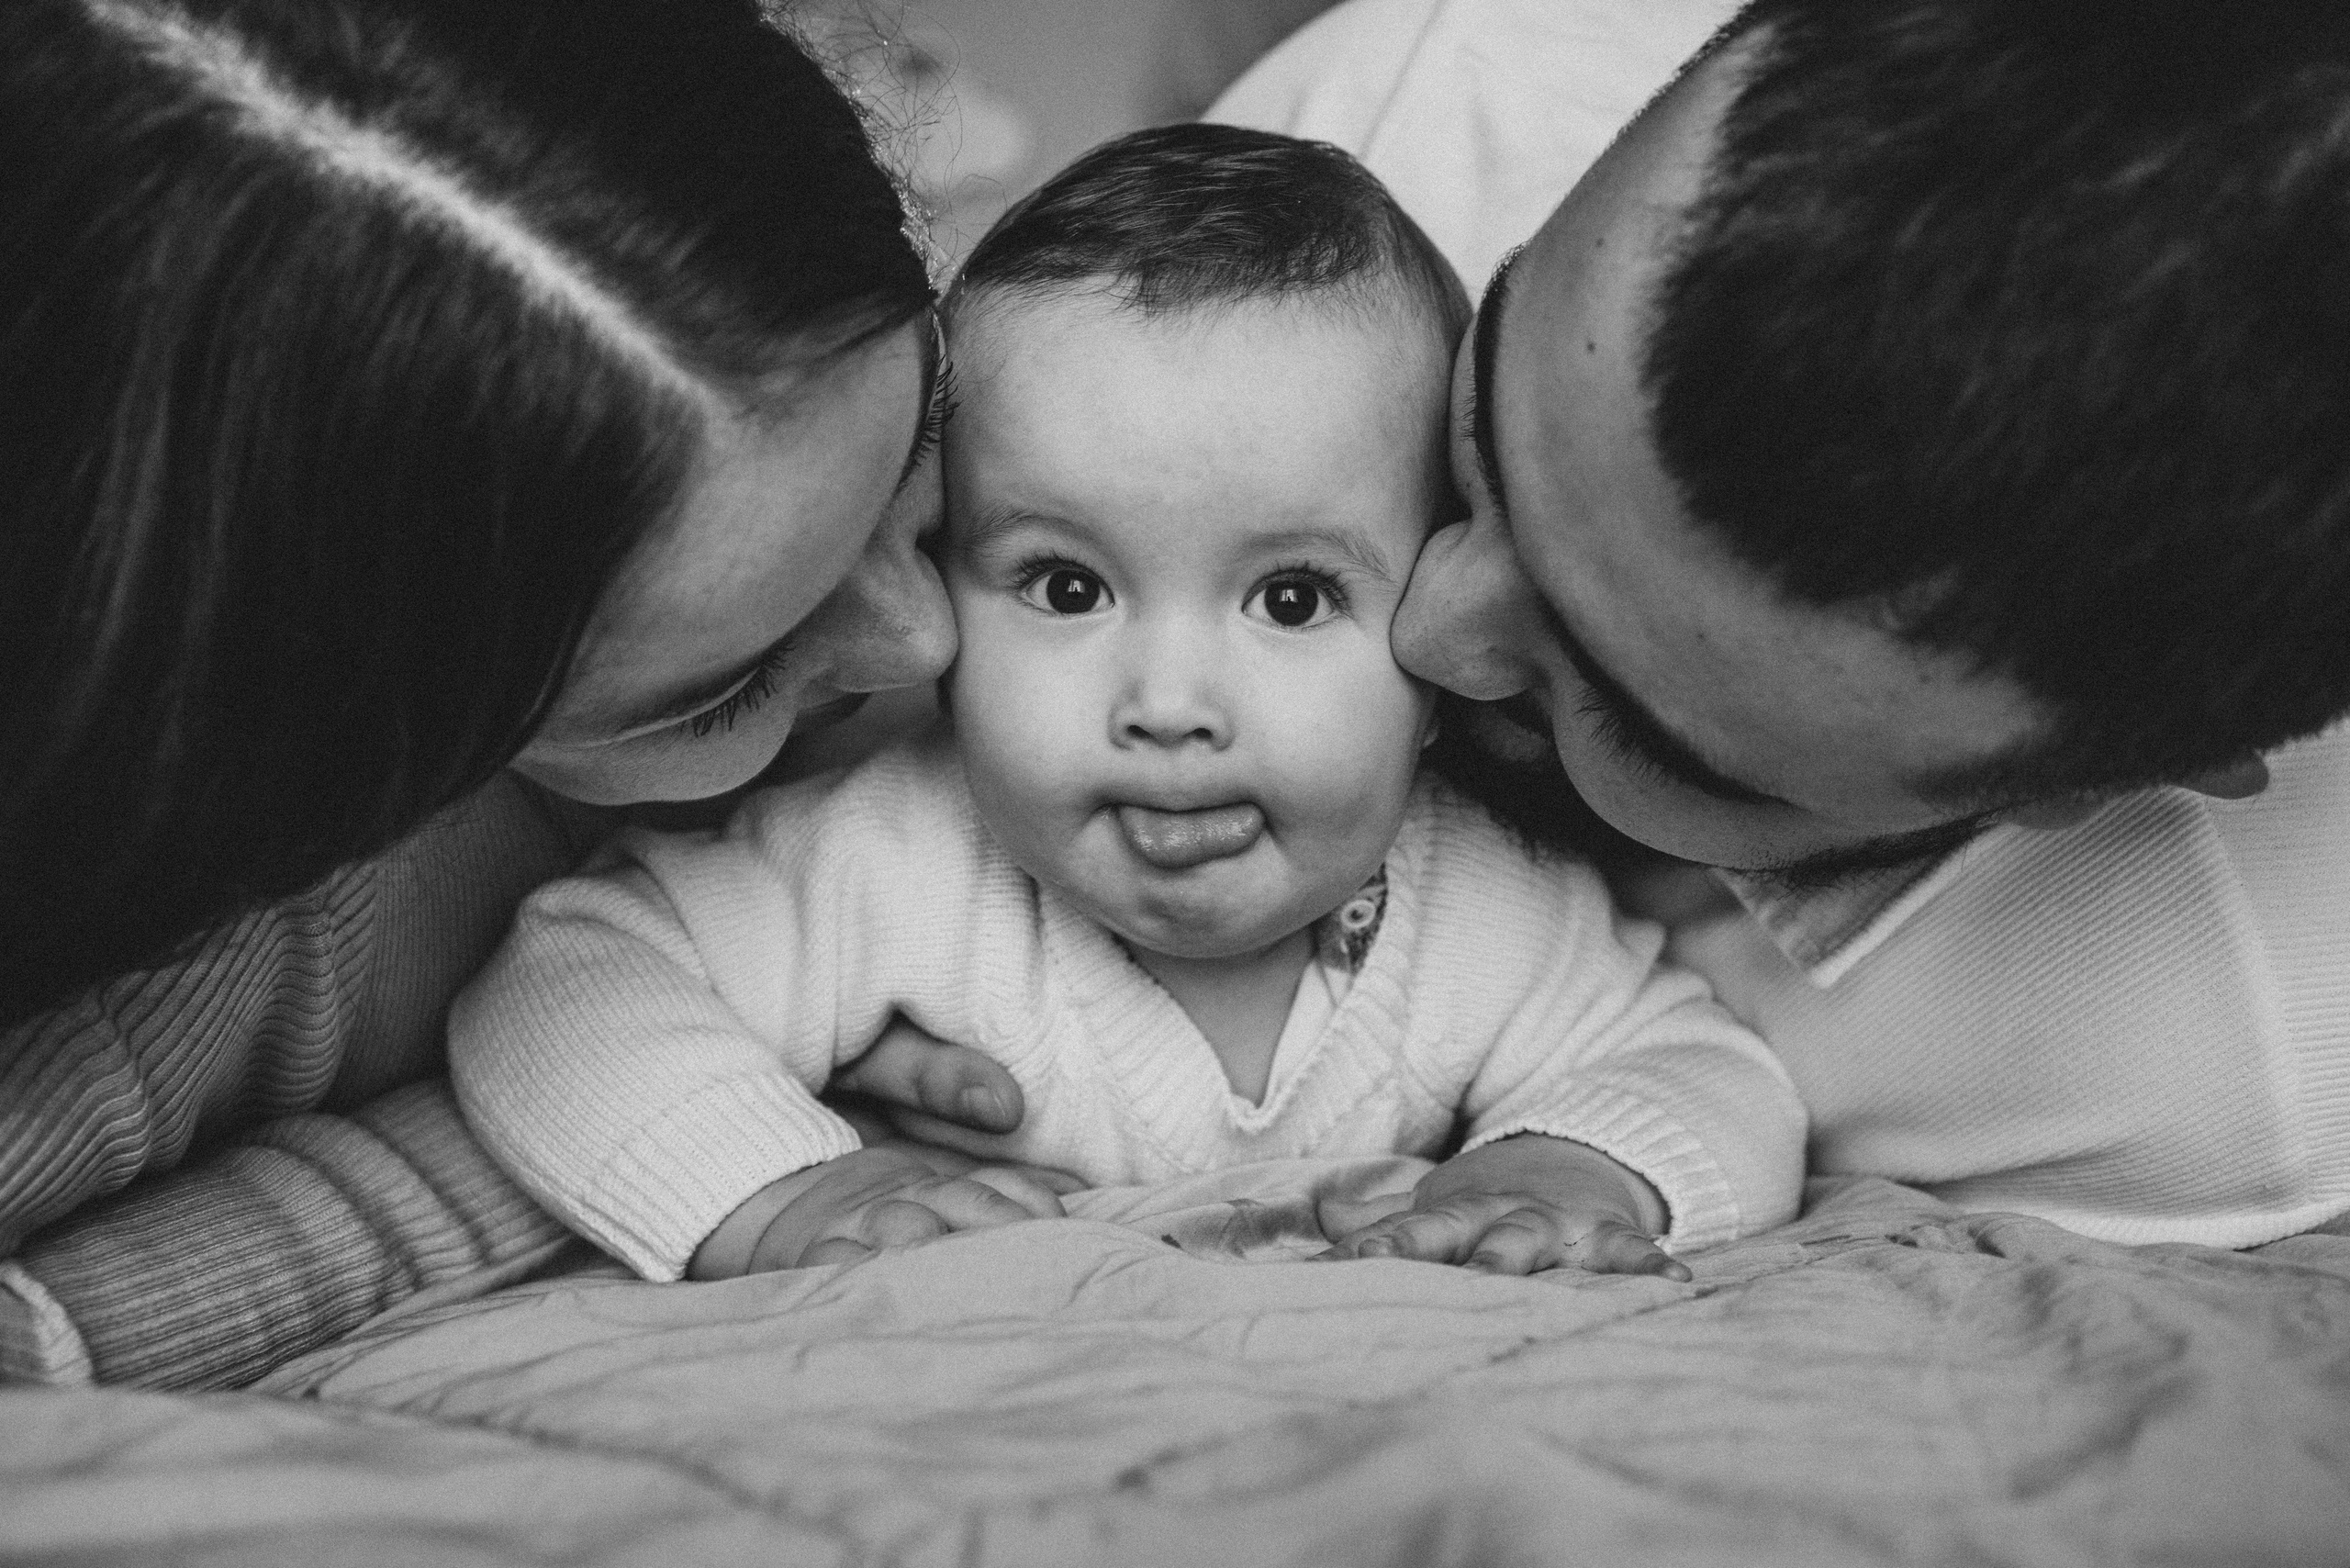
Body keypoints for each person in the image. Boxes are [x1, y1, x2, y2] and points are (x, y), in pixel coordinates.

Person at [450, 126, 1804, 1284]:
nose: (1168, 705)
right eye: (1067, 586)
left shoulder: (1484, 908)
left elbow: (1705, 1073)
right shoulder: (888, 862)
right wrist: (788, 1189)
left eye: (1290, 600)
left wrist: (1562, 1173)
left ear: (1441, 654)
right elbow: (564, 993)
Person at [0, 0, 1029, 1388]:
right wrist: (706, 1130)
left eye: (922, 454)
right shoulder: (214, 960)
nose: (926, 638)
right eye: (728, 687)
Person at [1211, 0, 2350, 1246]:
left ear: (2101, 779)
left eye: (1631, 722)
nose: (1422, 632)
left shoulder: (2203, 1094)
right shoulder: (1400, 130)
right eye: (1479, 422)